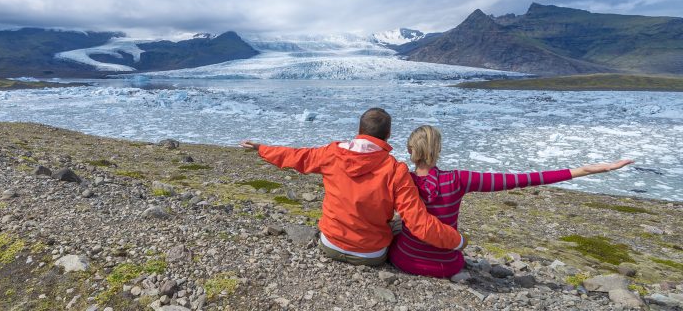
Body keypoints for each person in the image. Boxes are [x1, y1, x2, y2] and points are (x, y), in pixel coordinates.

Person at [388, 124, 634, 278]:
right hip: (447, 265)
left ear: (411, 151)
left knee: (399, 228)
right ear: (437, 149)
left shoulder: (403, 180)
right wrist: (584, 170)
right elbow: (519, 179)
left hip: (406, 260)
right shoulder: (459, 179)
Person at [240, 108, 465, 266]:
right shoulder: (396, 170)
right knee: (400, 224)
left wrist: (262, 148)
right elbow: (419, 223)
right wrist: (458, 240)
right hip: (371, 254)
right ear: (388, 135)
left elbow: (297, 156)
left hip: (329, 243)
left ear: (359, 130)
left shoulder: (332, 154)